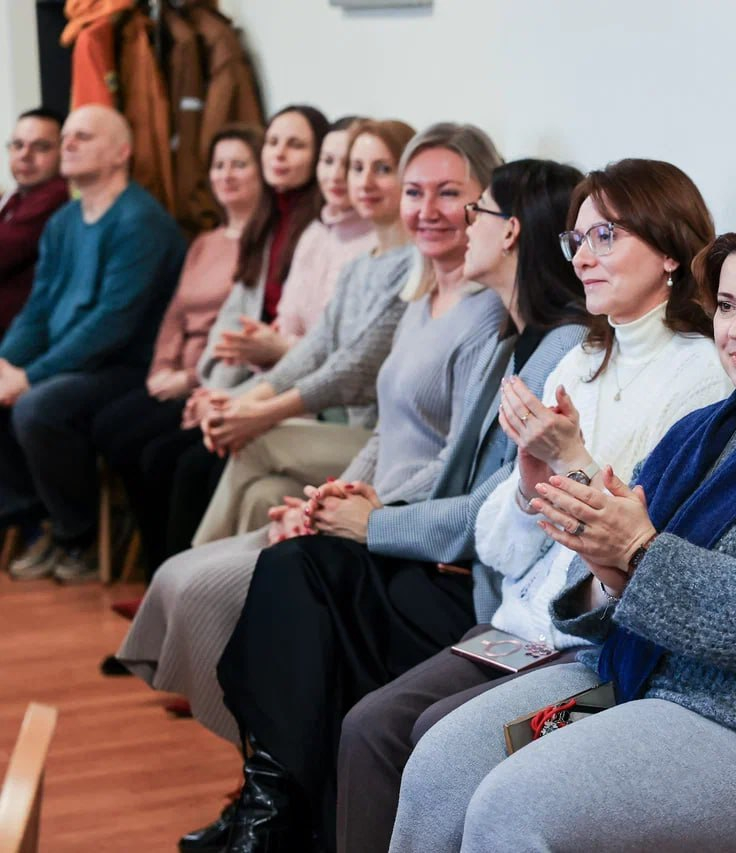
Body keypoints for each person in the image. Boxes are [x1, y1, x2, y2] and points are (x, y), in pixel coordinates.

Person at [385, 207, 736, 853]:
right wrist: (605, 562)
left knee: (517, 805)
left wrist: (637, 554)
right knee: (443, 763)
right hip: (641, 680)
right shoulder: (701, 432)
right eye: (727, 306)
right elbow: (622, 587)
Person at [112, 123, 517, 853]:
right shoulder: (419, 292)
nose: (425, 209)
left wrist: (351, 511)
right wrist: (329, 495)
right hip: (368, 506)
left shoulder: (489, 315)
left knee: (226, 589)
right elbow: (386, 431)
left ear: (490, 208)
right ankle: (270, 789)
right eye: (415, 191)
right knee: (205, 577)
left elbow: (455, 465)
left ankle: (272, 797)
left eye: (449, 194)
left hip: (404, 528)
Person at [337, 157, 734, 852]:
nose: (583, 257)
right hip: (522, 629)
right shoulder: (582, 358)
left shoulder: (703, 374)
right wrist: (526, 484)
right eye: (577, 239)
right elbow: (498, 546)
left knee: (439, 739)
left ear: (670, 249)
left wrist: (571, 458)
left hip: (609, 657)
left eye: (606, 236)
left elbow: (640, 550)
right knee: (370, 725)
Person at [189, 118, 423, 543]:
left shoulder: (416, 264)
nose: (365, 181)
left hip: (383, 444)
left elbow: (352, 369)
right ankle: (235, 582)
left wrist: (258, 413)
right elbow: (312, 351)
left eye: (383, 169)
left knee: (257, 442)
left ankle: (193, 566)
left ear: (410, 177)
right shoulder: (358, 267)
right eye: (356, 168)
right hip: (349, 433)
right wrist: (238, 402)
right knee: (264, 494)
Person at [1, 104, 186, 583]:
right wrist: (6, 362)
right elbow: (39, 308)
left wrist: (29, 376)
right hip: (74, 362)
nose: (68, 144)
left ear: (121, 152)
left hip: (126, 368)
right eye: (66, 136)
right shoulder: (63, 222)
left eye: (83, 136)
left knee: (38, 407)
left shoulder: (139, 221)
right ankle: (36, 519)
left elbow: (112, 325)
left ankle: (77, 536)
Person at [87, 123, 265, 579]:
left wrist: (189, 380)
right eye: (219, 165)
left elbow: (242, 331)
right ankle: (151, 554)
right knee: (110, 427)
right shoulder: (205, 242)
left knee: (157, 453)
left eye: (239, 164)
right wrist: (161, 369)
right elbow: (175, 313)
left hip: (213, 380)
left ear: (261, 171)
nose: (226, 174)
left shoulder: (264, 244)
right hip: (176, 374)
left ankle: (166, 567)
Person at [159, 103, 328, 557]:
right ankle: (171, 576)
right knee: (159, 449)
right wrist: (212, 390)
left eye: (296, 145)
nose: (280, 154)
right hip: (256, 382)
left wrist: (229, 398)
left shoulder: (318, 229)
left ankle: (192, 575)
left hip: (297, 393)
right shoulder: (268, 222)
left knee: (193, 460)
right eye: (273, 142)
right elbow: (232, 321)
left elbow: (319, 352)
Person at [215, 115, 377, 371]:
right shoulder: (314, 234)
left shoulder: (379, 245)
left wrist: (278, 350)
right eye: (328, 161)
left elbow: (352, 362)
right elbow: (284, 326)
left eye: (351, 165)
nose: (335, 175)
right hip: (286, 377)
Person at [1, 108, 69, 335]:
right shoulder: (17, 197)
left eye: (40, 147)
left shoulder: (56, 195)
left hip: (23, 338)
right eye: (17, 145)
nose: (25, 155)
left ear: (64, 151)